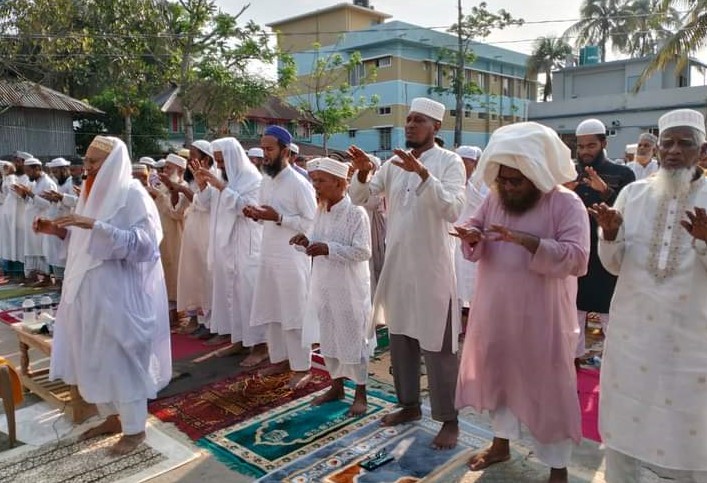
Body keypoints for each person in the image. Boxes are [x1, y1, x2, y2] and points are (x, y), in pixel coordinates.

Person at [455, 122, 590, 483]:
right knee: (499, 377)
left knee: (549, 388)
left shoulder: (566, 203)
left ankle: (557, 467)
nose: (510, 187)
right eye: (506, 179)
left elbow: (578, 258)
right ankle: (500, 444)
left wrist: (526, 240)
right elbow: (476, 226)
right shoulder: (496, 197)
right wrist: (471, 234)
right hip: (496, 311)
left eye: (518, 181)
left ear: (537, 175)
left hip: (543, 317)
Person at [33, 136, 171, 455]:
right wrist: (56, 230)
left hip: (120, 296)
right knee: (96, 356)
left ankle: (135, 431)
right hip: (87, 293)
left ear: (111, 164)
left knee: (122, 360)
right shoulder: (91, 194)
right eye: (88, 160)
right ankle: (113, 417)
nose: (87, 167)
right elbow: (83, 242)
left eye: (94, 162)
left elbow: (146, 245)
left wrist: (94, 224)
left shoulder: (132, 194)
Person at [591, 109, 707, 482]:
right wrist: (609, 236)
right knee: (625, 425)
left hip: (692, 344)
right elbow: (613, 264)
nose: (673, 151)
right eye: (666, 143)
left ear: (701, 149)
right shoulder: (634, 194)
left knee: (690, 430)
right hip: (632, 336)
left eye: (684, 143)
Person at [349, 97, 466, 449]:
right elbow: (362, 198)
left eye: (419, 120)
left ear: (436, 128)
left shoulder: (450, 162)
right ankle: (409, 405)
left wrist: (424, 175)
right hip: (399, 268)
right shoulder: (393, 164)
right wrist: (364, 172)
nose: (410, 125)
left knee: (439, 348)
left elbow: (453, 209)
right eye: (409, 119)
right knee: (401, 341)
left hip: (432, 272)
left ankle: (449, 419)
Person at [290, 157, 373, 416]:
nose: (316, 186)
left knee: (353, 338)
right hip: (324, 285)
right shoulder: (320, 210)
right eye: (314, 180)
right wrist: (307, 241)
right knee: (329, 336)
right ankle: (336, 386)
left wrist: (328, 249)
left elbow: (363, 251)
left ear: (340, 183)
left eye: (321, 181)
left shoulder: (356, 212)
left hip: (349, 288)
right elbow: (319, 240)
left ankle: (361, 394)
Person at [245, 125, 317, 389]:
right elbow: (267, 215)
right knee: (272, 309)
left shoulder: (299, 184)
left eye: (269, 149)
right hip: (268, 255)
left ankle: (302, 366)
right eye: (262, 149)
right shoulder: (266, 181)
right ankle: (279, 358)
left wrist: (278, 217)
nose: (264, 154)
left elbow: (311, 223)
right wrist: (255, 214)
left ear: (285, 151)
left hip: (291, 257)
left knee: (294, 312)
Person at [193, 137, 268, 366]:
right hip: (224, 247)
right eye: (216, 162)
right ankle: (239, 340)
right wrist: (203, 185)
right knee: (230, 296)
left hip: (246, 245)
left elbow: (249, 209)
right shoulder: (222, 178)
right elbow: (205, 206)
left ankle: (260, 346)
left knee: (248, 296)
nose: (220, 166)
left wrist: (220, 186)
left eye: (222, 161)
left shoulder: (253, 179)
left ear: (232, 158)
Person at [569, 118, 635, 364]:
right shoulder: (570, 173)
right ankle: (573, 361)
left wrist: (606, 191)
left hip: (608, 254)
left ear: (603, 143)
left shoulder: (623, 173)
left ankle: (618, 365)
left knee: (610, 313)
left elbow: (631, 211)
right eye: (581, 146)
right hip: (578, 251)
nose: (585, 151)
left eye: (591, 145)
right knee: (574, 313)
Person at [176, 140, 216, 338]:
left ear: (206, 158)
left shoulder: (213, 178)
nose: (190, 159)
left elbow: (205, 204)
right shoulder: (191, 178)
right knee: (194, 275)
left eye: (193, 155)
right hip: (192, 229)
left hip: (206, 230)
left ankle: (210, 322)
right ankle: (199, 319)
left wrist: (190, 189)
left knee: (206, 276)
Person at [150, 153, 189, 326]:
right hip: (161, 237)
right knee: (164, 273)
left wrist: (159, 195)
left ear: (180, 170)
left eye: (169, 168)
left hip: (177, 237)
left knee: (175, 274)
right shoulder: (162, 188)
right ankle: (169, 314)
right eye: (164, 168)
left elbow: (176, 213)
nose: (165, 171)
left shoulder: (184, 187)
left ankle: (180, 315)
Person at [453, 145, 487, 318]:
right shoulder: (452, 179)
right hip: (453, 237)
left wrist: (467, 185)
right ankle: (457, 325)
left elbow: (485, 204)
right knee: (454, 283)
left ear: (473, 163)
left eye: (466, 162)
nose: (463, 166)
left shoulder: (483, 182)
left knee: (474, 285)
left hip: (474, 240)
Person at [14, 158, 57, 284]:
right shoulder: (35, 182)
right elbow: (32, 203)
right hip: (32, 221)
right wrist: (24, 195)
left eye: (29, 171)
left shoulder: (48, 183)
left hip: (43, 221)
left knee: (42, 250)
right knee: (34, 249)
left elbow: (48, 204)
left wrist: (31, 194)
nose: (27, 174)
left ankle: (48, 277)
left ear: (37, 169)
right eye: (26, 171)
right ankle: (37, 275)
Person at [40, 158, 74, 284]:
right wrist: (52, 199)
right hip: (54, 222)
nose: (54, 174)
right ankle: (59, 280)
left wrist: (61, 198)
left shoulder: (71, 183)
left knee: (66, 255)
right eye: (52, 172)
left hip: (67, 224)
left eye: (56, 171)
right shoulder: (56, 183)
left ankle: (66, 282)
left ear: (64, 170)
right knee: (54, 253)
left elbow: (77, 201)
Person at [0, 153, 30, 277]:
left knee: (20, 246)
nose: (16, 164)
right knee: (9, 245)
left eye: (18, 161)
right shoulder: (12, 177)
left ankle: (22, 272)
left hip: (20, 218)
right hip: (9, 218)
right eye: (15, 161)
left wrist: (10, 176)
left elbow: (17, 193)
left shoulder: (26, 178)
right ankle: (12, 272)